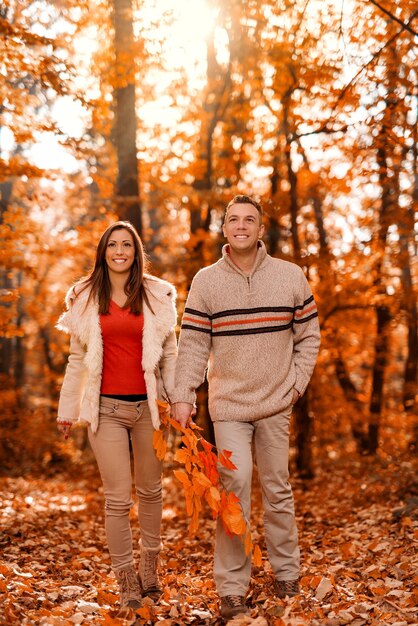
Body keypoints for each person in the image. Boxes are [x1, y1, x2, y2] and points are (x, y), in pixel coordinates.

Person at [172, 195, 320, 620]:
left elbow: (309, 335)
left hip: (276, 401)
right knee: (233, 493)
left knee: (277, 489)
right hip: (229, 406)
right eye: (233, 219)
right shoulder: (205, 281)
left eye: (249, 220)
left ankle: (287, 573)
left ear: (260, 229)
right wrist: (183, 394)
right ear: (224, 229)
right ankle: (233, 588)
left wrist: (296, 385)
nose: (241, 226)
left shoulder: (290, 276)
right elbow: (194, 345)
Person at [56, 221, 177, 610]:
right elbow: (77, 359)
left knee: (151, 490)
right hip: (104, 409)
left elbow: (170, 354)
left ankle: (150, 569)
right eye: (113, 245)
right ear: (103, 251)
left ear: (136, 251)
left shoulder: (157, 294)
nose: (120, 251)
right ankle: (126, 579)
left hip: (148, 410)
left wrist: (177, 399)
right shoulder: (84, 295)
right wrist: (66, 411)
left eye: (127, 244)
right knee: (116, 498)